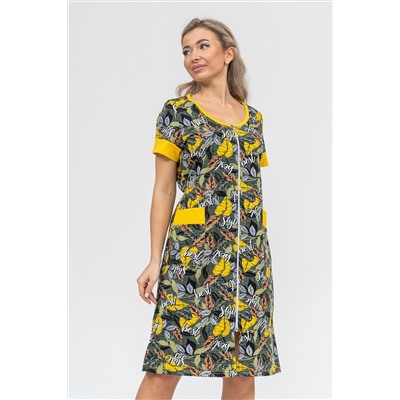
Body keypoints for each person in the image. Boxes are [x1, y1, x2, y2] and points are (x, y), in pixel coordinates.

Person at [135, 18, 281, 400]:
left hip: (249, 264)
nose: (193, 56)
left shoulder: (253, 120)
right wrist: (154, 260)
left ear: (228, 54)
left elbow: (252, 189)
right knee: (166, 364)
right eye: (186, 50)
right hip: (194, 257)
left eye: (202, 46)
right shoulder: (177, 113)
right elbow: (163, 189)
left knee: (243, 372)